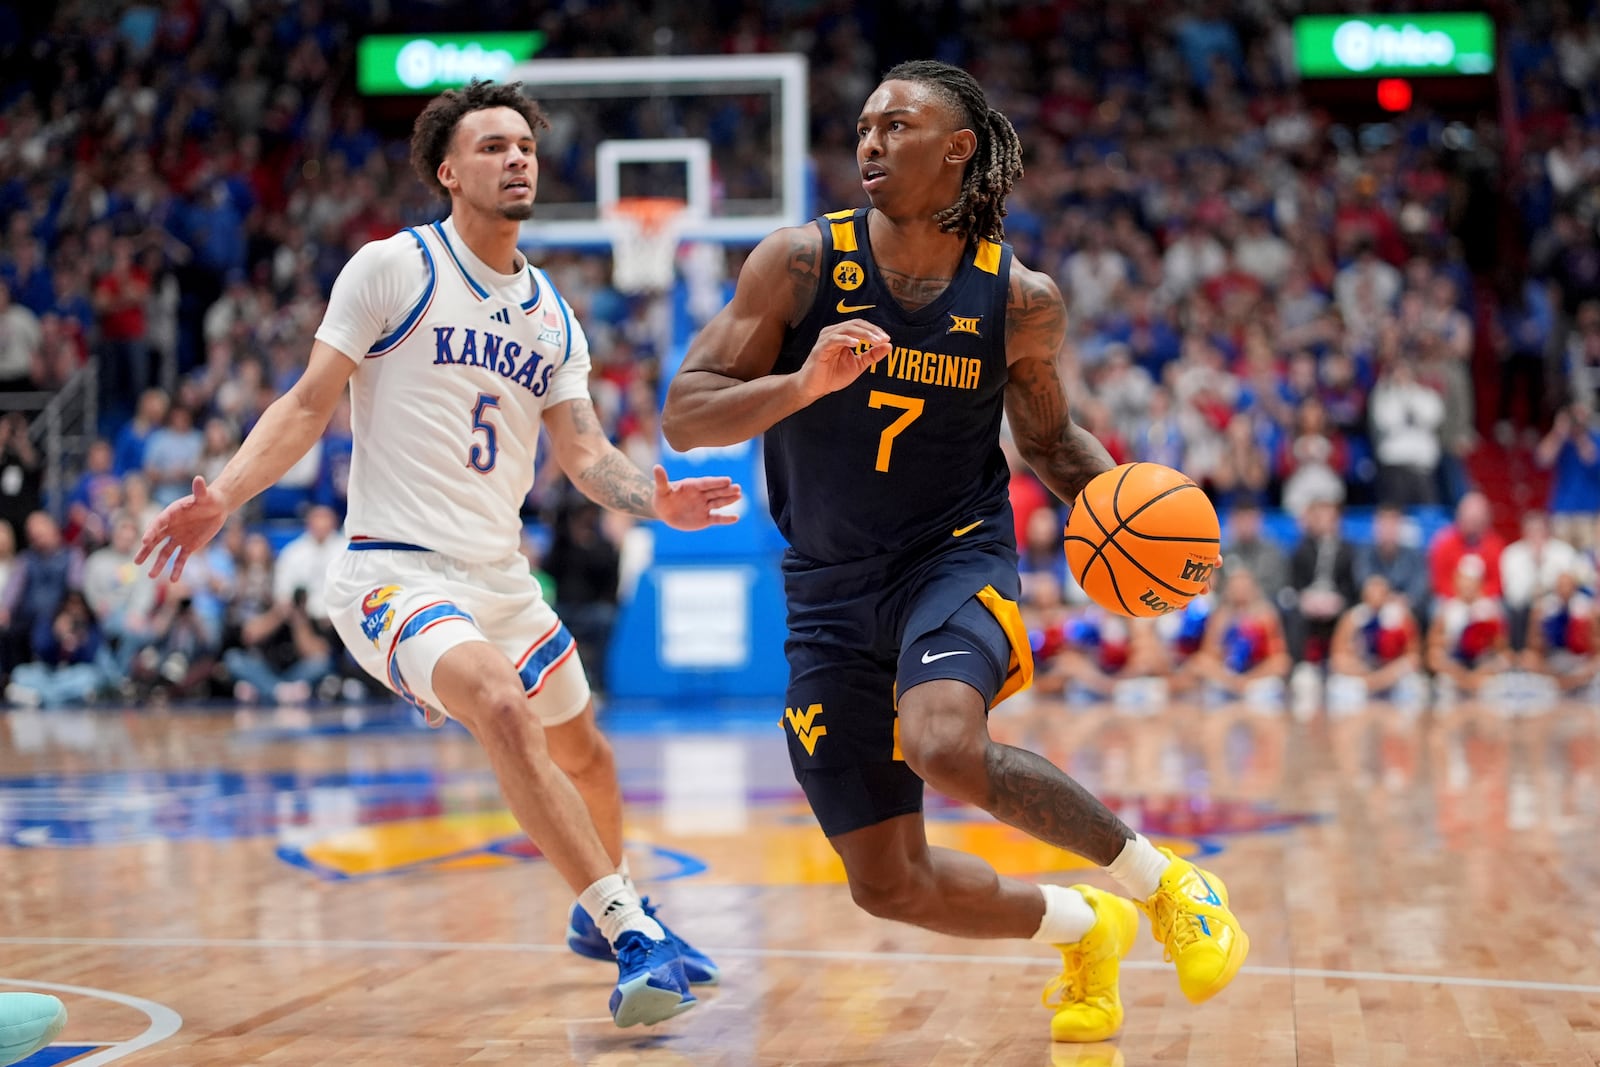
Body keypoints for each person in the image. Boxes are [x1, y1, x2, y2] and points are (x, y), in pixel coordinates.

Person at [661, 60, 1247, 1044]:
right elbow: (686, 410)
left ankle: (1163, 883)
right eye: (863, 128)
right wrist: (803, 384)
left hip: (951, 554)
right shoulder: (799, 264)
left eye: (897, 125)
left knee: (940, 739)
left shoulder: (1017, 297)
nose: (870, 143)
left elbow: (1053, 444)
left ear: (958, 147)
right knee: (887, 886)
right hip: (825, 587)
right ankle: (1083, 922)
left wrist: (1134, 526)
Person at [137, 80, 739, 1029]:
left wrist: (652, 497)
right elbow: (306, 402)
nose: (517, 159)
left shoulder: (553, 315)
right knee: (501, 703)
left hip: (500, 577)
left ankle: (602, 914)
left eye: (525, 146)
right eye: (494, 146)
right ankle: (631, 931)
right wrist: (224, 494)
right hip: (394, 570)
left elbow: (581, 451)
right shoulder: (392, 267)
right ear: (449, 171)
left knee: (590, 754)